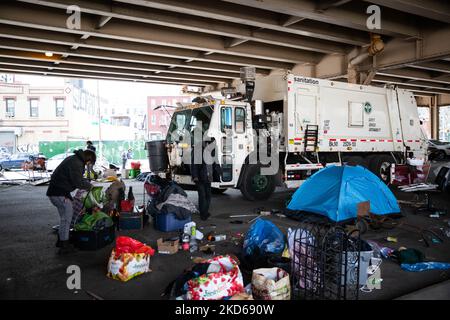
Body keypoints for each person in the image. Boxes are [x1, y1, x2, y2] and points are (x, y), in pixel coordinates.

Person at [47, 149, 96, 254]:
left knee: (64, 219)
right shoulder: (77, 163)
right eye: (90, 163)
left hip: (57, 192)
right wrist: (90, 186)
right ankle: (64, 245)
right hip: (59, 193)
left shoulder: (74, 159)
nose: (89, 165)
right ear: (88, 159)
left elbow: (76, 179)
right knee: (67, 219)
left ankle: (62, 241)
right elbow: (77, 182)